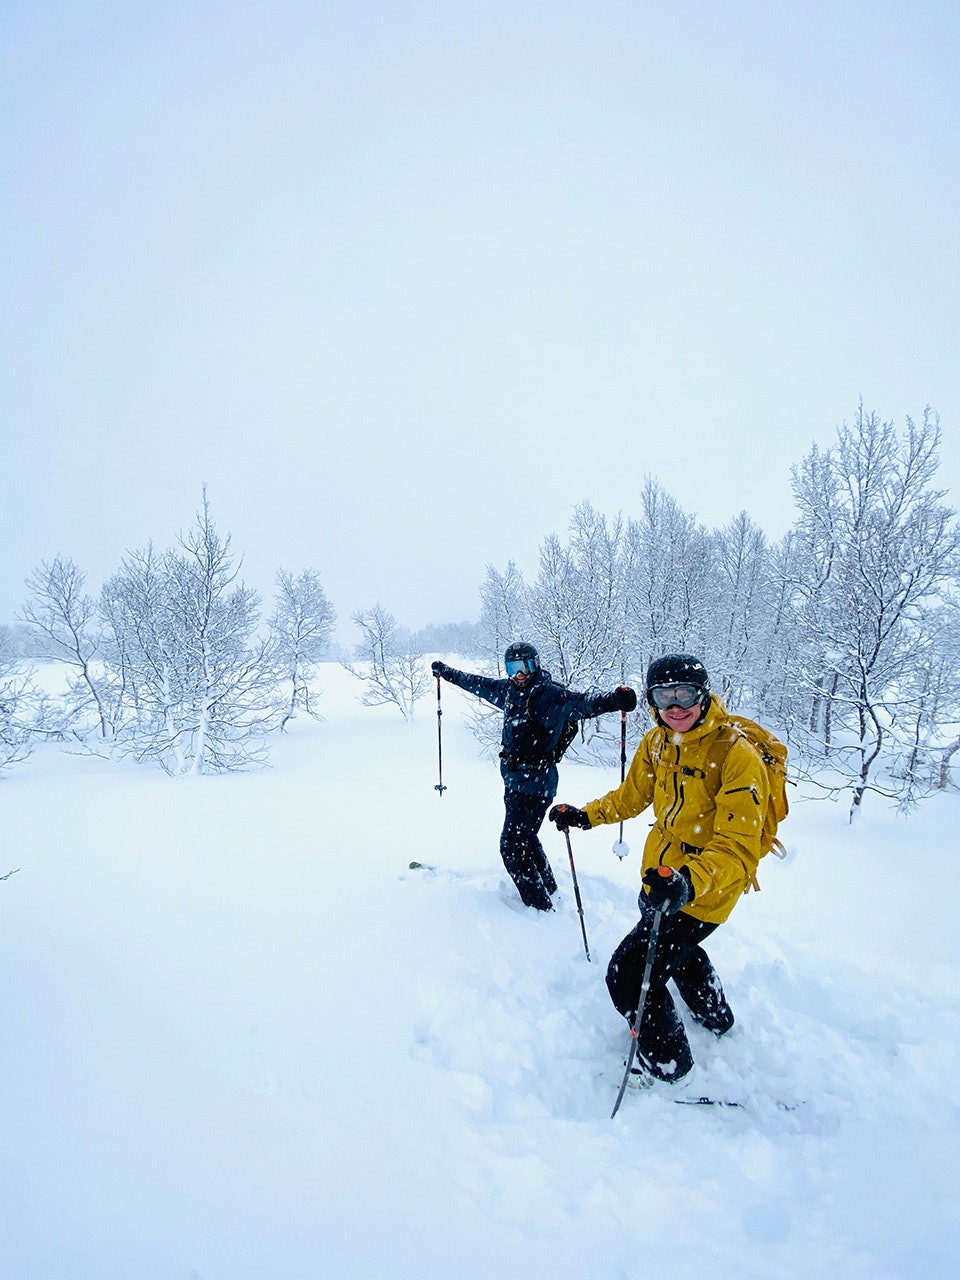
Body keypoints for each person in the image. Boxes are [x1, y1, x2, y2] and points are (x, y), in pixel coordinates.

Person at [549, 652, 768, 1085]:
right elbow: (632, 797)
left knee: (628, 975)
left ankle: (671, 1067)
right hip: (660, 878)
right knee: (679, 953)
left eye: (684, 692)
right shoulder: (657, 743)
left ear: (702, 695)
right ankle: (717, 1017)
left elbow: (737, 848)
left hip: (706, 888)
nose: (675, 706)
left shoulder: (735, 756)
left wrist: (688, 884)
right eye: (663, 695)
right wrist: (586, 815)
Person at [431, 643, 636, 912]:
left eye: (524, 667)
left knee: (512, 848)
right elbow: (476, 683)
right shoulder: (506, 692)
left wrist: (613, 700)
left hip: (537, 785)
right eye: (512, 668)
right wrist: (446, 672)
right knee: (525, 838)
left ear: (535, 665)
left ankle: (539, 907)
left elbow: (584, 703)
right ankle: (548, 888)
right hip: (514, 781)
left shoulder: (552, 696)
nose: (518, 674)